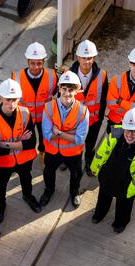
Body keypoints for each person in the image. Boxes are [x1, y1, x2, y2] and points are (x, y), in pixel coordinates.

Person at [90, 108, 135, 233]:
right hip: (108, 177)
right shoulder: (114, 135)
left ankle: (120, 223)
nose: (129, 135)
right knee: (103, 198)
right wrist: (95, 168)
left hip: (126, 186)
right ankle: (100, 214)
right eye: (127, 130)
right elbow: (102, 153)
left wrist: (130, 191)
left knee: (124, 206)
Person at [0, 79, 41, 224]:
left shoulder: (25, 113)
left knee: (26, 180)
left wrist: (5, 144)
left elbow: (31, 143)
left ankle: (28, 197)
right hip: (3, 163)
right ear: (0, 98)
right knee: (0, 186)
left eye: (15, 99)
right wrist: (19, 142)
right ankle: (1, 205)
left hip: (24, 159)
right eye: (8, 100)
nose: (12, 104)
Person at [40, 71, 89, 208]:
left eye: (71, 90)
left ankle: (74, 192)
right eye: (64, 89)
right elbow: (47, 134)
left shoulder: (83, 111)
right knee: (48, 172)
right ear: (59, 88)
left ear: (77, 90)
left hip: (73, 153)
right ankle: (49, 191)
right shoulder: (49, 107)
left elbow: (80, 139)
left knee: (76, 174)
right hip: (52, 151)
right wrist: (70, 134)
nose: (67, 93)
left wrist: (59, 133)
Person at [12, 42, 58, 160]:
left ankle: (42, 151)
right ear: (27, 61)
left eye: (39, 63)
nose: (36, 67)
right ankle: (29, 155)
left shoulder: (52, 76)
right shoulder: (16, 78)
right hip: (26, 118)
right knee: (28, 139)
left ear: (44, 61)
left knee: (44, 136)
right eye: (32, 63)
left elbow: (54, 93)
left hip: (45, 117)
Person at [69, 39, 108, 176]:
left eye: (90, 58)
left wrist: (100, 119)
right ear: (78, 57)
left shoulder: (102, 75)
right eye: (84, 57)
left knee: (90, 145)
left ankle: (88, 162)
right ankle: (70, 161)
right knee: (74, 144)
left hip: (93, 120)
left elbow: (103, 100)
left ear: (94, 58)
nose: (87, 61)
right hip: (74, 122)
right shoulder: (69, 75)